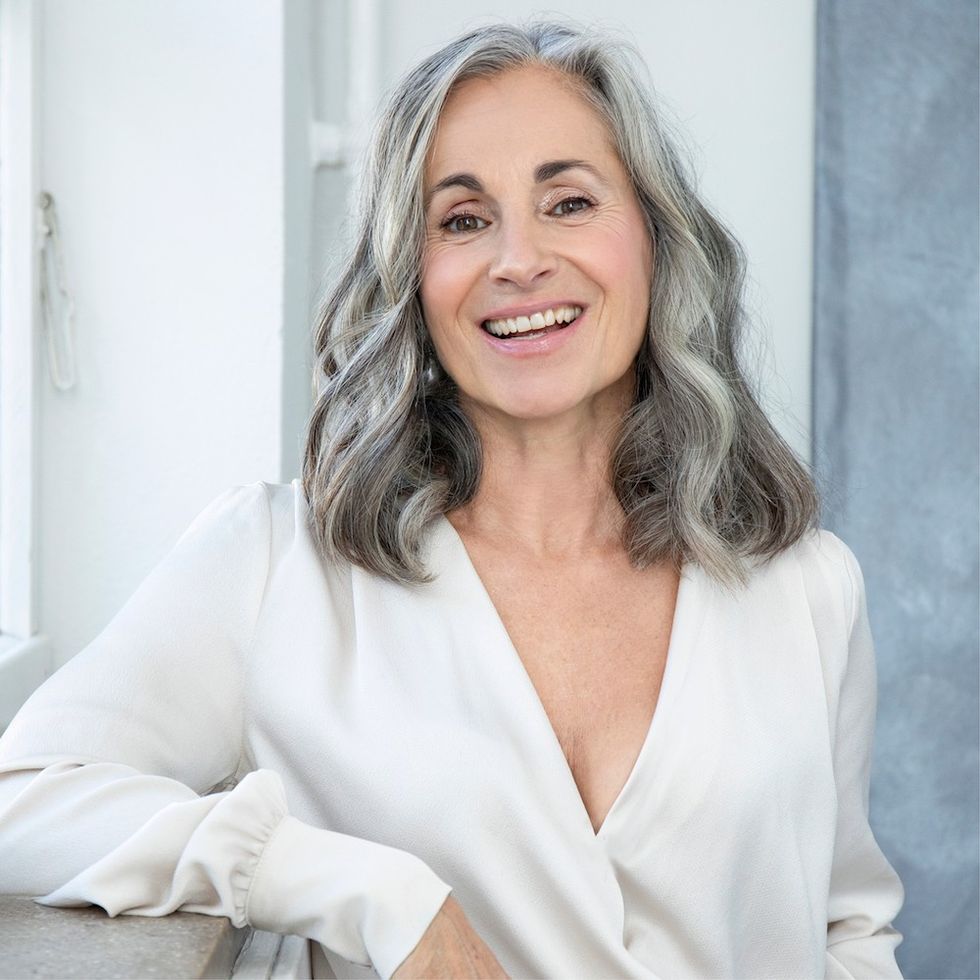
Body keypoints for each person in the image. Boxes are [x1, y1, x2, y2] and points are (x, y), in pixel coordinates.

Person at [0, 19, 905, 980]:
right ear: (412, 279)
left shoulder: (808, 586)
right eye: (463, 220)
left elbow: (849, 931)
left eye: (568, 202)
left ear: (653, 235)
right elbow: (20, 800)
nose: (518, 260)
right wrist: (370, 894)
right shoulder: (277, 563)